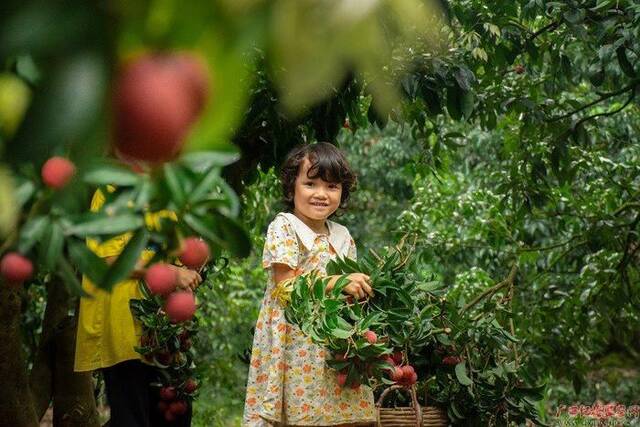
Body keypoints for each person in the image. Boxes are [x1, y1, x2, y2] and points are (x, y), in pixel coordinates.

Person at [243, 142, 376, 426]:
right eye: (310, 183)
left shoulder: (343, 236)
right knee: (301, 415)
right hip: (294, 344)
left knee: (339, 416)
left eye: (332, 186)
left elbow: (349, 292)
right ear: (292, 188)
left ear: (343, 192)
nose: (321, 194)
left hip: (333, 344)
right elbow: (286, 286)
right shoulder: (285, 226)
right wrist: (338, 283)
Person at [74, 182, 202, 427]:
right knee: (131, 415)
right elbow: (108, 260)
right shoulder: (109, 194)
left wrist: (197, 259)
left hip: (162, 329)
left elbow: (181, 262)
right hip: (121, 328)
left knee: (177, 415)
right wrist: (171, 272)